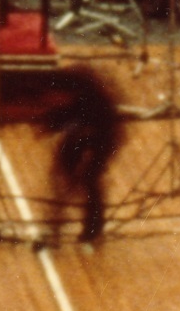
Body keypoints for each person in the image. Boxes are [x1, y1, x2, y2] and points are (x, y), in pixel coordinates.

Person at [28, 61, 128, 246]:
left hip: (104, 133)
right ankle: (54, 227)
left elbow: (99, 129)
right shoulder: (67, 94)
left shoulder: (92, 99)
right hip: (81, 130)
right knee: (61, 175)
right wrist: (48, 126)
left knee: (89, 179)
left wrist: (88, 157)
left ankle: (92, 229)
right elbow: (63, 114)